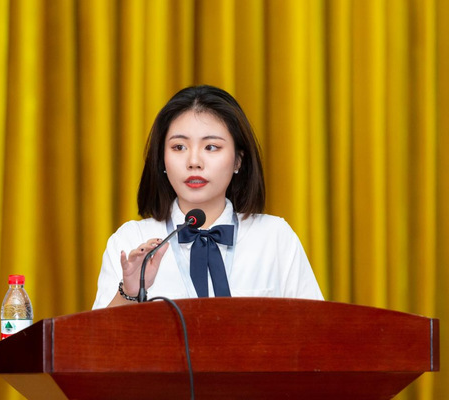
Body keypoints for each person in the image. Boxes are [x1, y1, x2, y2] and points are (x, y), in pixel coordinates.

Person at [92, 85, 323, 309]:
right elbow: (96, 336)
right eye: (179, 147)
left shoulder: (275, 237)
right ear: (162, 159)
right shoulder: (131, 240)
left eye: (211, 147)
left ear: (238, 160)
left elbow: (317, 328)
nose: (194, 162)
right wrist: (130, 293)